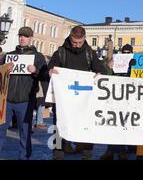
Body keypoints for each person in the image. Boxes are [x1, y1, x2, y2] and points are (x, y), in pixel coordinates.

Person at [48, 25, 106, 160]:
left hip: (83, 98)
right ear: (70, 37)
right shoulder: (61, 52)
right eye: (74, 42)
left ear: (84, 39)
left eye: (80, 42)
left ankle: (86, 153)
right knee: (59, 124)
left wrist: (100, 73)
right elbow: (50, 67)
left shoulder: (89, 52)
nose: (77, 45)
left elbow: (100, 68)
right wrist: (50, 71)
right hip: (63, 98)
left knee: (85, 124)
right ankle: (58, 153)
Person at [0, 26, 49, 160]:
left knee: (25, 132)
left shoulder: (38, 57)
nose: (22, 39)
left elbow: (45, 75)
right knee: (1, 130)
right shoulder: (9, 55)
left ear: (31, 38)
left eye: (26, 36)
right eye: (21, 36)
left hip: (25, 101)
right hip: (7, 100)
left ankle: (24, 157)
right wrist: (4, 68)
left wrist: (36, 70)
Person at [99, 44, 134, 160]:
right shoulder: (115, 63)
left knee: (123, 125)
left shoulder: (134, 63)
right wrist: (109, 67)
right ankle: (110, 150)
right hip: (114, 98)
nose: (126, 54)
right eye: (124, 52)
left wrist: (133, 68)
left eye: (129, 52)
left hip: (128, 98)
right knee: (112, 125)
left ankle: (122, 151)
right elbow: (107, 78)